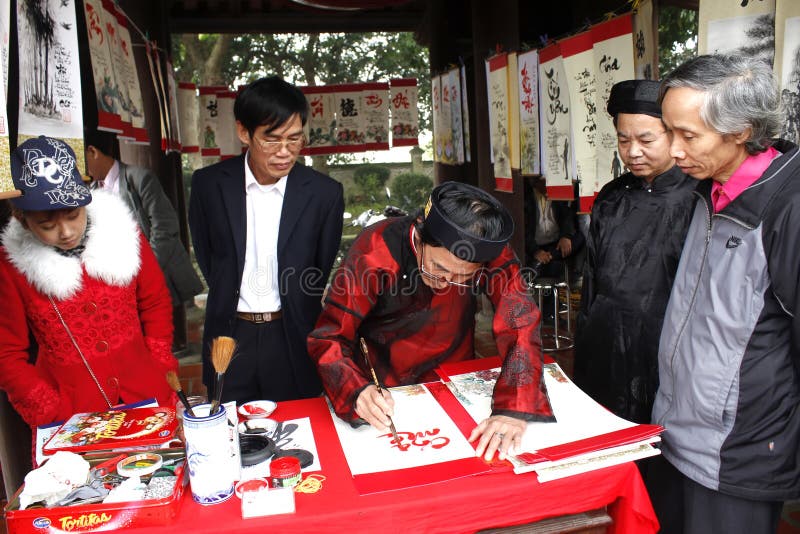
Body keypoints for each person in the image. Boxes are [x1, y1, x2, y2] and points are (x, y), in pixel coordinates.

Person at [650, 54, 800, 533]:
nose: (673, 151)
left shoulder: (787, 208)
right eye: (669, 131)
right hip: (678, 431)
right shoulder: (706, 188)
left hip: (740, 452)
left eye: (688, 135)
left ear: (741, 131)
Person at [308, 181, 554, 462]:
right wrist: (355, 389)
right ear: (420, 233)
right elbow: (329, 336)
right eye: (439, 269)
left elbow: (520, 322)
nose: (446, 283)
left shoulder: (489, 248)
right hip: (383, 383)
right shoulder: (376, 249)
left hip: (453, 373)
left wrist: (514, 407)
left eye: (464, 277)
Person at [0, 136, 177, 429]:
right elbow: (6, 353)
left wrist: (159, 362)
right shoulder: (11, 266)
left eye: (73, 215)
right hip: (70, 413)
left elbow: (155, 300)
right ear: (22, 220)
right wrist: (48, 406)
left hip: (147, 392)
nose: (66, 231)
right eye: (47, 225)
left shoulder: (122, 233)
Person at [189, 76, 344, 404]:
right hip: (230, 333)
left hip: (292, 334)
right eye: (271, 140)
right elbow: (209, 256)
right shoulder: (209, 186)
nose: (285, 152)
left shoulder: (324, 194)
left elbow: (319, 265)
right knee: (231, 428)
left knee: (300, 432)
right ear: (244, 132)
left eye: (295, 139)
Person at [572, 79, 696, 424]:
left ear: (673, 135)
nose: (633, 151)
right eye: (623, 140)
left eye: (646, 140)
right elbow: (593, 277)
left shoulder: (697, 198)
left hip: (662, 345)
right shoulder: (612, 196)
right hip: (604, 338)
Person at [84, 129, 203, 309]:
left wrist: (146, 272)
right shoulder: (91, 191)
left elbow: (165, 228)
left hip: (152, 273)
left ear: (93, 152)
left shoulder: (139, 178)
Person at [523, 176, 582, 281]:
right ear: (536, 182)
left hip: (556, 246)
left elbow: (567, 215)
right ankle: (543, 259)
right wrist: (535, 251)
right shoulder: (526, 198)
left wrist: (565, 236)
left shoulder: (558, 193)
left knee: (581, 238)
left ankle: (547, 258)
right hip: (536, 245)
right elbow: (524, 230)